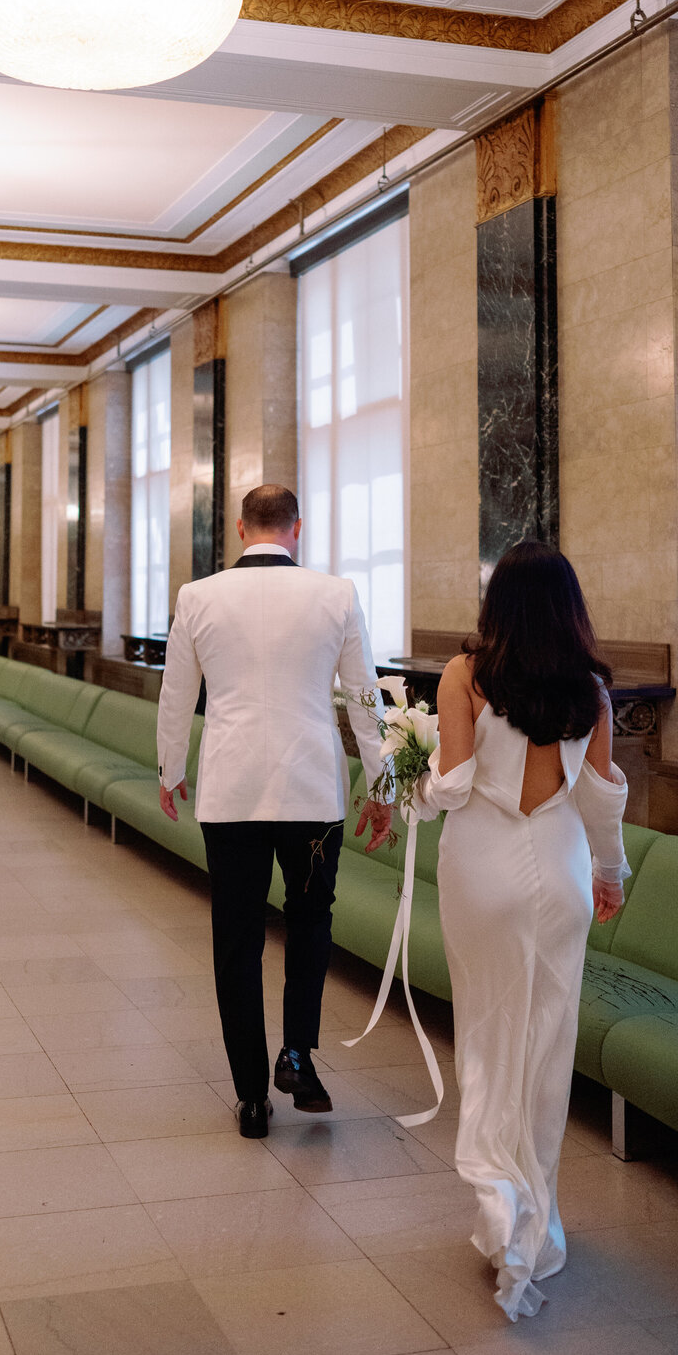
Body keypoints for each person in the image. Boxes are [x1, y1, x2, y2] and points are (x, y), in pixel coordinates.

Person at [370, 541, 628, 1321]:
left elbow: (450, 787)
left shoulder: (466, 676)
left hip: (485, 874)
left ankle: (498, 1208)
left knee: (488, 1035)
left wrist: (408, 764)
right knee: (547, 1048)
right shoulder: (591, 689)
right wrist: (610, 876)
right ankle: (537, 1227)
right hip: (562, 871)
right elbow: (603, 796)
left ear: (498, 605)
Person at [157, 484, 391, 1139]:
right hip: (312, 791)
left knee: (237, 941)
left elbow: (178, 697)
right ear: (297, 529)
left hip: (230, 794)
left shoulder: (198, 596)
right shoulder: (335, 594)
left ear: (239, 529)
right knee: (311, 922)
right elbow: (363, 697)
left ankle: (252, 1097)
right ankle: (297, 1053)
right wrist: (382, 786)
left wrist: (171, 770)